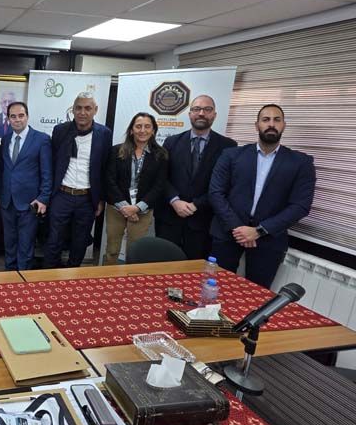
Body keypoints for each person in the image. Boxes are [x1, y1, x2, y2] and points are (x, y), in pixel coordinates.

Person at [209, 104, 315, 289]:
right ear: (256, 125)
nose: (271, 124)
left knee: (257, 295)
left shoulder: (301, 162)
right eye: (266, 120)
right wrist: (238, 228)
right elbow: (216, 192)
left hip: (269, 240)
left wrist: (259, 231)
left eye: (277, 120)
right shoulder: (231, 155)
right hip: (227, 233)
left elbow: (300, 206)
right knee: (214, 288)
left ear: (284, 125)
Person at [155, 95, 237, 260]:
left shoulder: (228, 146)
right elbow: (161, 176)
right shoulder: (171, 142)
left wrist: (196, 204)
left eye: (207, 109)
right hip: (169, 218)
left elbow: (225, 184)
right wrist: (175, 200)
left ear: (214, 115)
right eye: (196, 109)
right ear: (190, 114)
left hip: (202, 221)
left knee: (194, 269)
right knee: (164, 265)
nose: (201, 113)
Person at [43, 93, 112, 268]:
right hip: (61, 195)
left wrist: (101, 199)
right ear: (73, 110)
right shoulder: (60, 130)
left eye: (88, 108)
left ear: (95, 110)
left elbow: (105, 168)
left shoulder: (104, 134)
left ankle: (72, 276)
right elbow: (53, 162)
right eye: (78, 108)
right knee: (54, 239)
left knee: (80, 241)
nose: (82, 112)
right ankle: (48, 276)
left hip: (87, 198)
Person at [104, 112, 168, 265]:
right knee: (112, 250)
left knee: (135, 252)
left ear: (153, 130)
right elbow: (109, 180)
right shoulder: (116, 151)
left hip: (142, 212)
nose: (142, 130)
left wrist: (137, 208)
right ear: (132, 130)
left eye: (147, 127)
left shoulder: (161, 155)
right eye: (138, 126)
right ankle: (108, 278)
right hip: (116, 209)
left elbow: (159, 185)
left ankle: (131, 279)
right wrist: (125, 207)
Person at [0, 101, 52, 270]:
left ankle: (23, 278)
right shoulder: (5, 139)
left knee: (26, 245)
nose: (17, 120)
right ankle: (9, 274)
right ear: (8, 119)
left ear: (27, 116)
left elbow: (47, 172)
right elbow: (4, 169)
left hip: (30, 203)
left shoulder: (41, 139)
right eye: (13, 116)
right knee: (9, 243)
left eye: (21, 116)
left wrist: (43, 198)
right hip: (7, 202)